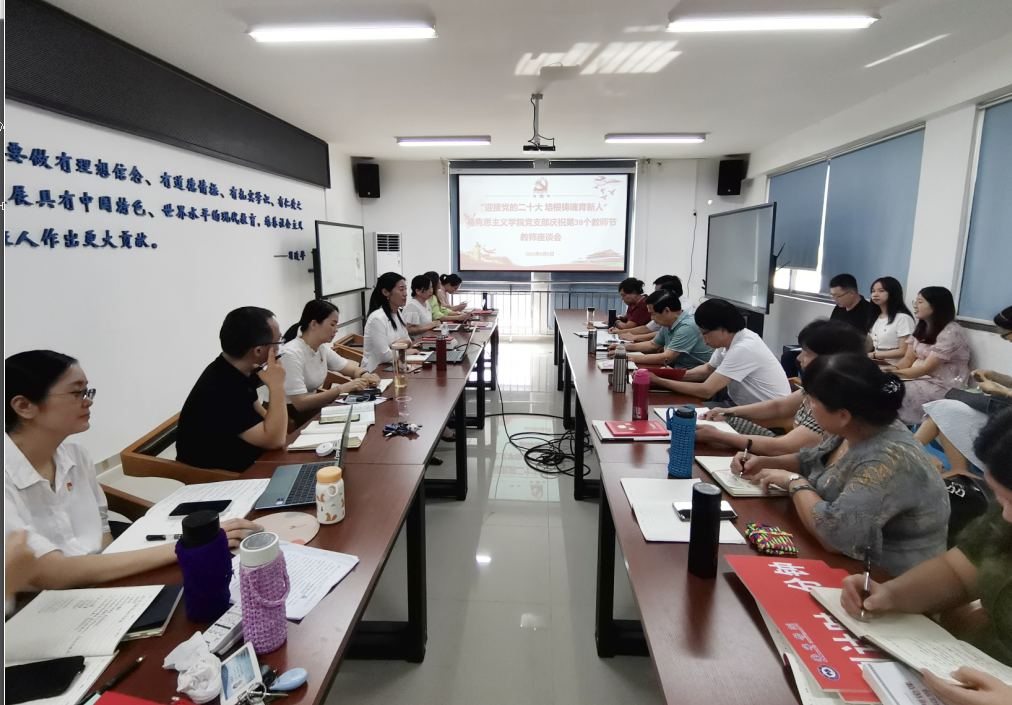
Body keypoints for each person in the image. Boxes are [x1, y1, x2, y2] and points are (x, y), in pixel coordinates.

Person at [5, 350, 259, 591]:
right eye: (76, 393)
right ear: (24, 406)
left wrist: (113, 579)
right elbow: (51, 572)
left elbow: (102, 526)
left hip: (101, 584)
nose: (88, 400)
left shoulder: (75, 456)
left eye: (87, 391)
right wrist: (190, 544)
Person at [840, 409, 1012, 702]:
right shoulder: (1005, 519)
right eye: (1001, 498)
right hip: (971, 668)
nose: (1006, 515)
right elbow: (959, 572)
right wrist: (891, 594)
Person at [736, 354, 950, 577]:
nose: (807, 406)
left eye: (812, 401)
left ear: (842, 415)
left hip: (886, 580)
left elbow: (835, 537)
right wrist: (765, 463)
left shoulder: (886, 459)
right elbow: (810, 461)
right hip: (846, 563)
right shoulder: (858, 427)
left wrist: (794, 482)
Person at [697, 319, 867, 454]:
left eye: (807, 352)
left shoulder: (833, 400)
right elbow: (778, 407)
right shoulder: (818, 385)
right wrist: (730, 412)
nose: (799, 358)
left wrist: (718, 436)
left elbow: (783, 447)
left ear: (830, 358)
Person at [177, 307, 289, 472]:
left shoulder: (234, 369)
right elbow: (275, 440)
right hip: (220, 478)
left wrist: (278, 429)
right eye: (278, 342)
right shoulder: (220, 388)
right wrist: (277, 386)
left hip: (250, 460)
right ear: (258, 350)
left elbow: (261, 414)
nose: (279, 348)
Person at [915, 305, 1012, 475]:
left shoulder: (951, 333)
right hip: (1005, 410)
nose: (1007, 340)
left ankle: (901, 456)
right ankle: (958, 471)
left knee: (945, 410)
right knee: (944, 410)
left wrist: (1000, 391)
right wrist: (995, 376)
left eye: (1006, 335)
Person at [650, 298, 791, 405]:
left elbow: (706, 390)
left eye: (704, 333)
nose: (702, 337)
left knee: (684, 418)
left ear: (722, 330)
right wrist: (673, 375)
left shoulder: (744, 347)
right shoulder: (729, 340)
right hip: (738, 406)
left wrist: (660, 381)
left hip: (766, 417)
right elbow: (708, 369)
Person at [886, 286, 971, 426]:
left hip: (942, 385)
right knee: (880, 386)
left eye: (920, 302)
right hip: (918, 379)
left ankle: (895, 429)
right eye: (915, 301)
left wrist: (893, 375)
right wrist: (893, 369)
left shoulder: (951, 332)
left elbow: (926, 369)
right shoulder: (921, 327)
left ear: (936, 305)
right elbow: (908, 359)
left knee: (890, 390)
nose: (915, 305)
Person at [280, 300, 382, 416]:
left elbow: (351, 369)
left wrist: (364, 375)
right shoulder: (291, 353)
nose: (336, 329)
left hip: (312, 408)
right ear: (314, 324)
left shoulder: (321, 348)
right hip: (289, 413)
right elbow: (300, 403)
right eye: (332, 325)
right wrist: (340, 389)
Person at [607, 289, 711, 368]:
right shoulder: (669, 323)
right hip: (677, 368)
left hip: (693, 375)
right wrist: (622, 347)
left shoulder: (687, 326)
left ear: (666, 311)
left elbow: (667, 357)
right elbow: (653, 345)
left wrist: (626, 356)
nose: (652, 318)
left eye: (653, 314)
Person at [362, 272, 418, 372]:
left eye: (405, 289)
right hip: (376, 371)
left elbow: (408, 341)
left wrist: (394, 346)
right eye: (401, 289)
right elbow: (385, 356)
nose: (405, 294)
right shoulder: (377, 318)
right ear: (385, 292)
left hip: (396, 365)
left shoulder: (398, 313)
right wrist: (404, 350)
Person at [613, 275, 695, 341]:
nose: (656, 295)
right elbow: (652, 331)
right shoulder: (667, 306)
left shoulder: (683, 308)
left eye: (659, 292)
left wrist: (622, 331)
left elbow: (648, 330)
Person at [868, 276, 916, 361]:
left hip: (896, 364)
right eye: (873, 291)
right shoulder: (875, 316)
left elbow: (904, 350)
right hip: (877, 363)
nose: (875, 295)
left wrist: (874, 355)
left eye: (881, 291)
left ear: (893, 292)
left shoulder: (903, 318)